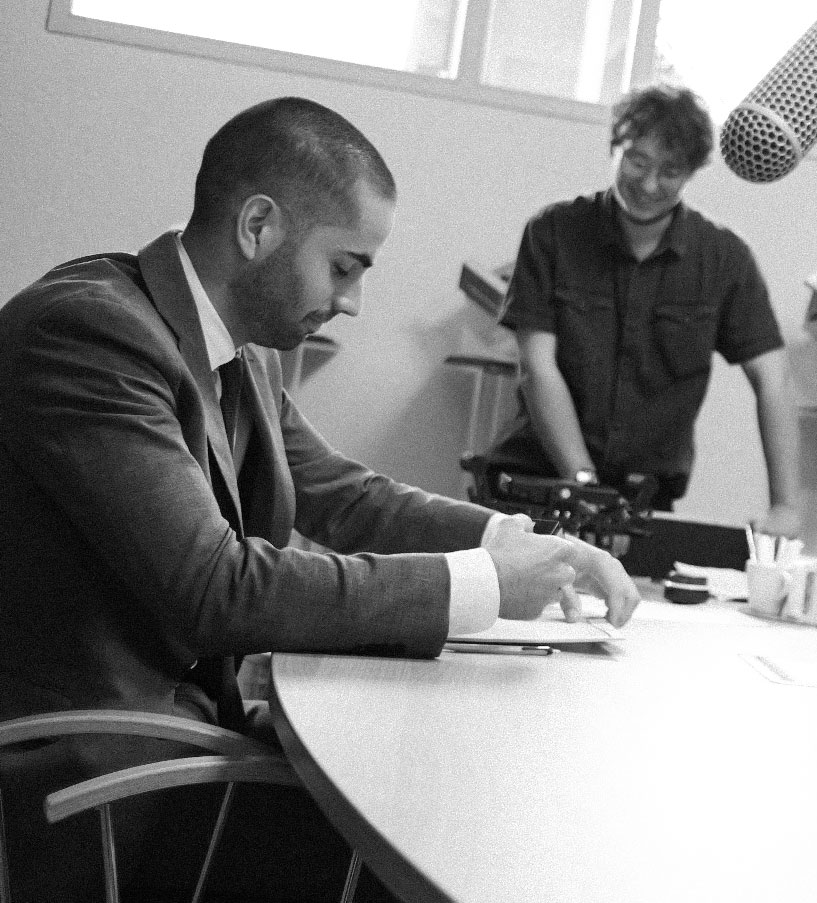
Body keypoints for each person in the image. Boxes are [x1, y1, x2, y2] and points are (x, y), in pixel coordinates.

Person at [0, 97, 640, 902]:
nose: (352, 301)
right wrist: (482, 585)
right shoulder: (89, 333)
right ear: (258, 226)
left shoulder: (241, 353)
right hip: (86, 776)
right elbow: (216, 588)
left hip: (174, 740)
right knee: (427, 840)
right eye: (344, 266)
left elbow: (344, 496)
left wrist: (523, 541)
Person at [486, 84, 801, 538]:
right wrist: (583, 486)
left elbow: (774, 380)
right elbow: (537, 368)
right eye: (638, 161)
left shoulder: (724, 258)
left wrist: (785, 506)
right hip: (536, 484)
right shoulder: (553, 232)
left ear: (691, 173)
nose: (650, 185)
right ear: (614, 147)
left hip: (644, 503)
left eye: (671, 171)